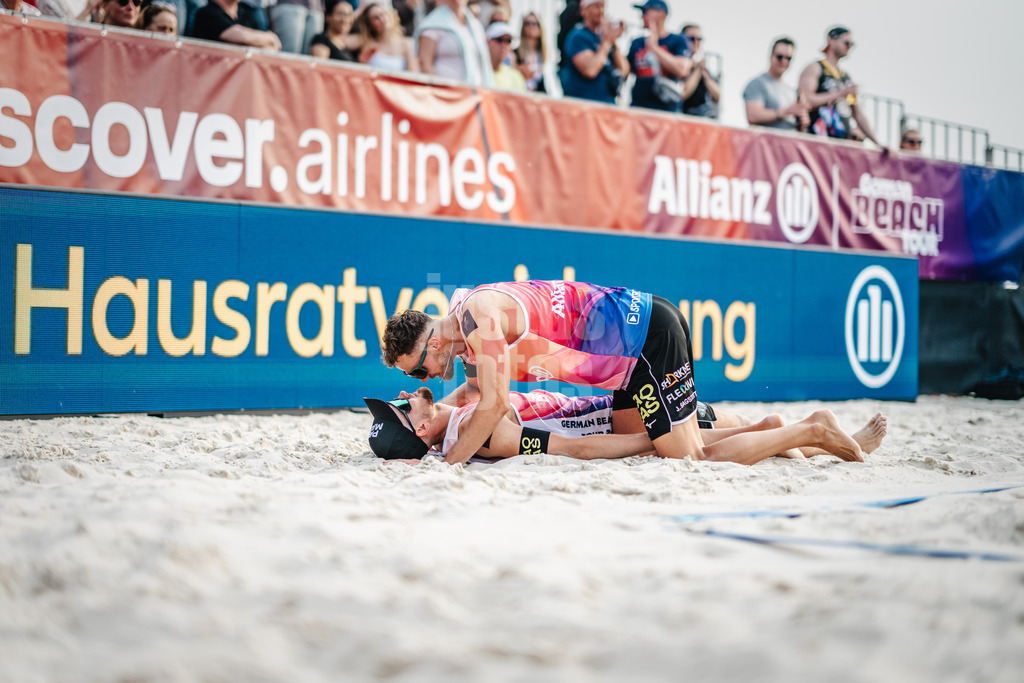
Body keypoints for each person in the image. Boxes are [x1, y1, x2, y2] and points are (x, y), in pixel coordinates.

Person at [380, 280, 866, 466]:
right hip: (628, 362)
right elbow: (482, 391)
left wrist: (447, 468)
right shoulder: (464, 309)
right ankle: (779, 434)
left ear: (433, 341)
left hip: (645, 342)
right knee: (661, 444)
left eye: (419, 366)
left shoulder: (476, 320)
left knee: (687, 457)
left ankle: (813, 429)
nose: (424, 376)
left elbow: (494, 405)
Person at [363, 387, 887, 465]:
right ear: (423, 431)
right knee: (693, 445)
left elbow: (433, 388)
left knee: (717, 423)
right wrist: (643, 442)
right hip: (613, 415)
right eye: (401, 410)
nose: (404, 398)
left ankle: (792, 430)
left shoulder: (454, 411)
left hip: (607, 399)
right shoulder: (487, 433)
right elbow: (571, 447)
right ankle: (805, 432)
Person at [798, 26, 885, 149]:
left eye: (852, 44)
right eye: (846, 42)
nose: (849, 47)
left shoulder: (846, 77)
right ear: (831, 41)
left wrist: (878, 143)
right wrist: (840, 93)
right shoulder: (816, 68)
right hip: (817, 141)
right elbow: (805, 100)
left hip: (841, 144)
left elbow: (858, 113)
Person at [626, 0, 690, 113]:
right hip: (638, 108)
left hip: (666, 111)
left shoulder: (678, 41)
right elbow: (625, 71)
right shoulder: (637, 42)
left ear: (661, 14)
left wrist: (654, 48)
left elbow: (682, 69)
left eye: (646, 11)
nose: (642, 16)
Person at [560, 0, 629, 104]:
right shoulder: (577, 36)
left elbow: (624, 71)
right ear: (584, 10)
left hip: (607, 105)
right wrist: (606, 43)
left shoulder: (603, 38)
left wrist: (613, 42)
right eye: (596, 7)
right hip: (584, 106)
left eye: (602, 6)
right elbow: (590, 70)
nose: (601, 11)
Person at [415, 0, 492, 86]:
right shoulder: (432, 24)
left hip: (473, 93)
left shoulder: (476, 26)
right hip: (445, 93)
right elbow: (425, 64)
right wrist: (439, 89)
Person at [742, 37, 809, 132]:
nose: (784, 61)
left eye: (788, 58)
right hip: (767, 144)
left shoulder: (793, 91)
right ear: (771, 56)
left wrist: (802, 121)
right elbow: (753, 116)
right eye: (780, 57)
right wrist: (786, 111)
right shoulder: (757, 84)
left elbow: (799, 128)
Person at [354, 1, 419, 72]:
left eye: (384, 14)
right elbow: (341, 40)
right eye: (376, 18)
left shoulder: (407, 44)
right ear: (369, 25)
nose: (382, 19)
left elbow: (414, 74)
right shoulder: (366, 42)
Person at [192, 0, 281, 50]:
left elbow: (272, 48)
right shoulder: (206, 13)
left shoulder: (246, 13)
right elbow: (243, 37)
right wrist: (270, 37)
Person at [679, 23, 720, 118]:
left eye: (699, 39)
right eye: (692, 39)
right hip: (683, 116)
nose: (696, 42)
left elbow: (717, 96)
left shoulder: (703, 67)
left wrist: (703, 72)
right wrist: (697, 70)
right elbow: (683, 93)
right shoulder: (678, 64)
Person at [513, 12, 547, 93]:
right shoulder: (515, 53)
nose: (531, 26)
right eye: (528, 23)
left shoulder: (542, 56)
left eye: (535, 23)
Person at [486, 21, 525, 91]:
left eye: (508, 41)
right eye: (499, 40)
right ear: (488, 42)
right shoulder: (477, 72)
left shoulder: (516, 77)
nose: (504, 45)